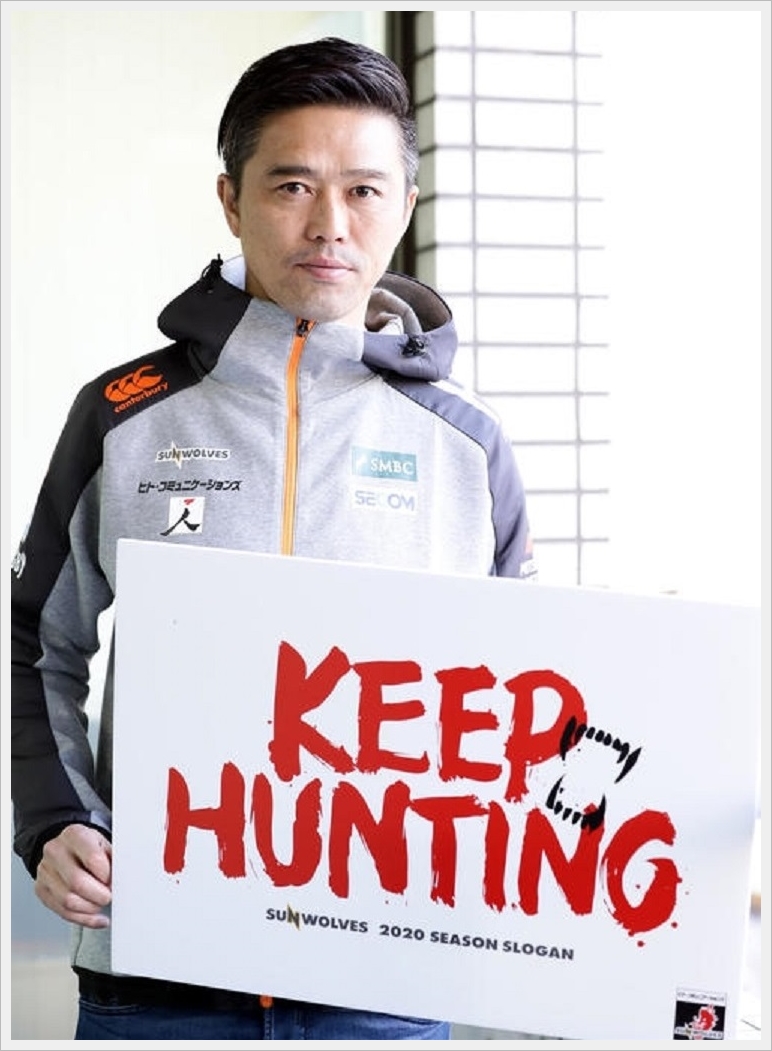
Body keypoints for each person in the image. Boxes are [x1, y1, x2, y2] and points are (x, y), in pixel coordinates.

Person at [11, 36, 536, 1042]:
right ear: (231, 199)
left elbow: (526, 689)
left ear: (405, 206)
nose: (330, 224)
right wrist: (54, 815)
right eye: (292, 185)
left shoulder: (467, 445)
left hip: (387, 977)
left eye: (364, 191)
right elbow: (32, 636)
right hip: (154, 968)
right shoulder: (123, 415)